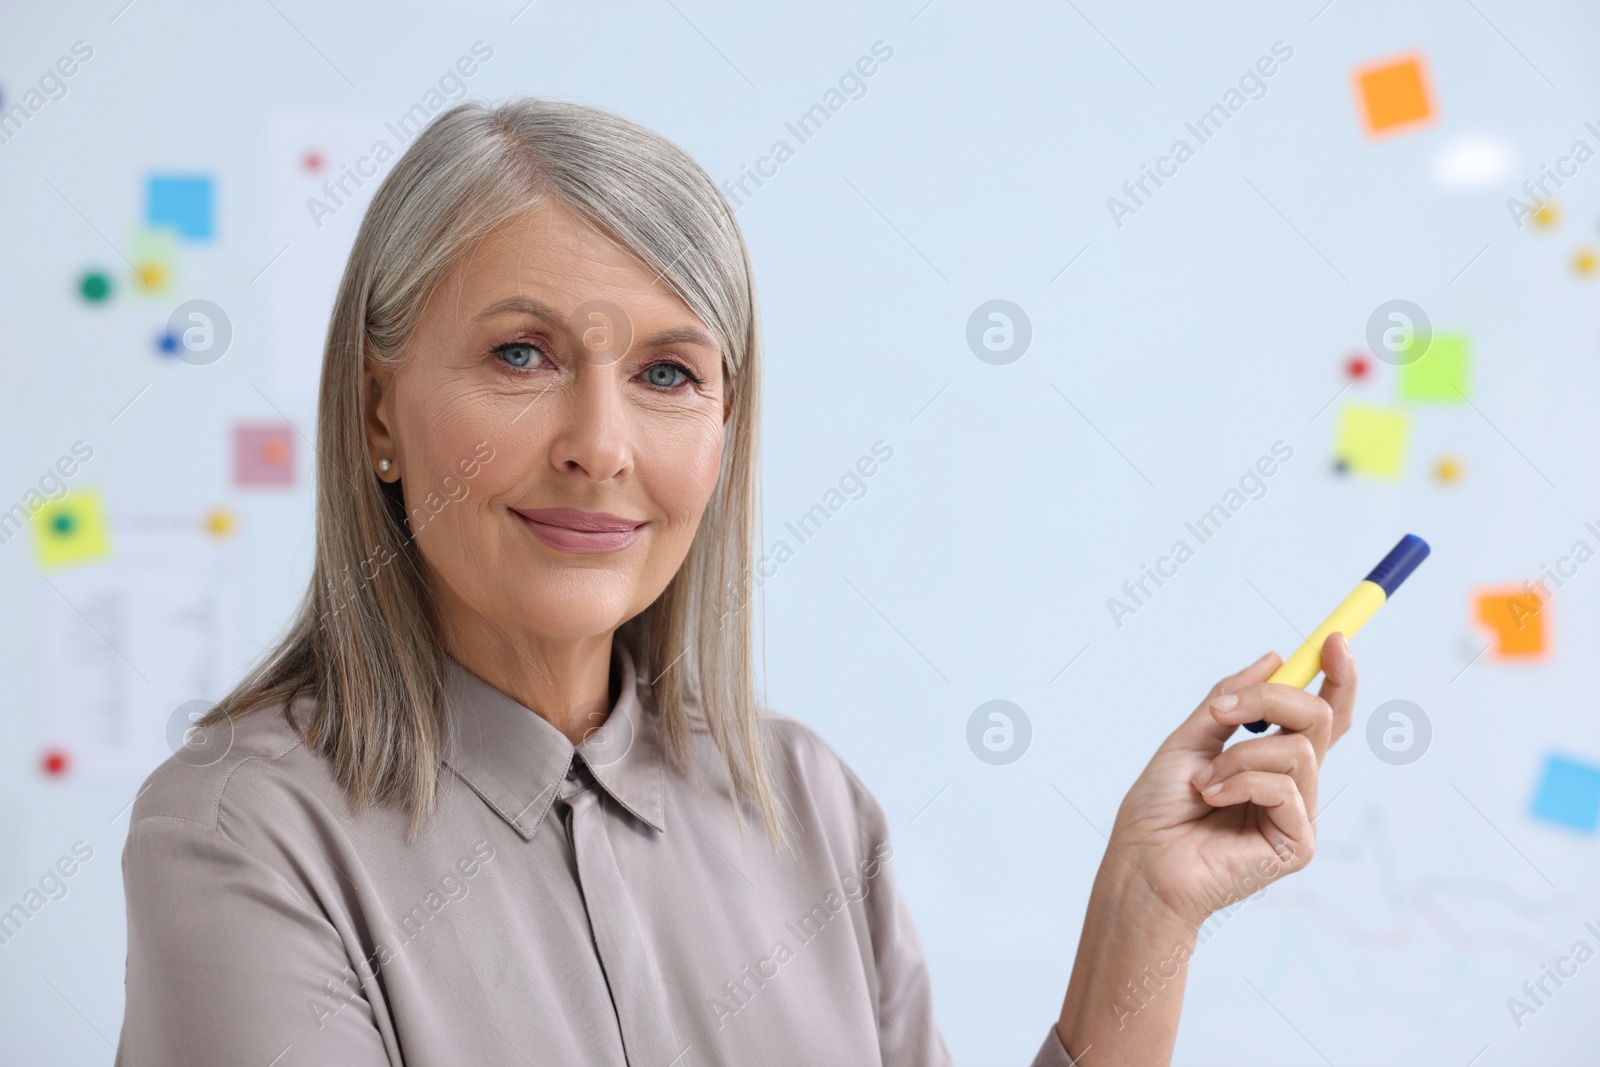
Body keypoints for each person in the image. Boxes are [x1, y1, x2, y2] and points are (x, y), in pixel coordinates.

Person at [115, 98, 1357, 1067]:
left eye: (667, 373)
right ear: (379, 411)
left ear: (725, 426)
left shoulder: (806, 805)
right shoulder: (243, 831)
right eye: (520, 352)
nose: (599, 443)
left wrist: (1146, 913)